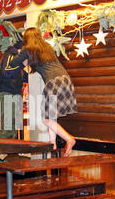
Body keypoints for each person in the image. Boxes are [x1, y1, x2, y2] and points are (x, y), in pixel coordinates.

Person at [8, 27, 77, 156]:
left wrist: (18, 52)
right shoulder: (47, 47)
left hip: (53, 83)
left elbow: (13, 63)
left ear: (26, 39)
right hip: (66, 80)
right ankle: (53, 143)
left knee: (46, 119)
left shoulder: (27, 50)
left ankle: (69, 139)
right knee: (51, 116)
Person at [0, 41, 27, 140]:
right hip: (6, 93)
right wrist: (23, 65)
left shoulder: (16, 61)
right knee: (8, 126)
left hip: (12, 95)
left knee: (14, 126)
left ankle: (6, 154)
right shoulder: (10, 56)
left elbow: (24, 77)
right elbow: (6, 72)